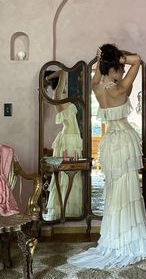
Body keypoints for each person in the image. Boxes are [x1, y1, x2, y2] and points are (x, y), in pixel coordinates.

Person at [67, 44, 146, 269]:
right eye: (120, 68)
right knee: (128, 188)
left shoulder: (97, 86)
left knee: (115, 189)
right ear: (115, 66)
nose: (123, 72)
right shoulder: (121, 88)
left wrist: (105, 59)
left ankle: (115, 236)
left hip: (110, 143)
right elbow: (138, 60)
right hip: (124, 139)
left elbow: (99, 73)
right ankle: (127, 236)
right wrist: (119, 57)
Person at [43, 70, 83, 221]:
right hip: (68, 139)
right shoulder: (57, 96)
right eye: (62, 83)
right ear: (58, 84)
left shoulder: (60, 97)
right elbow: (63, 72)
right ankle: (65, 211)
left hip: (72, 138)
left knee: (74, 173)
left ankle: (71, 211)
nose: (64, 84)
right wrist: (49, 77)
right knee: (67, 174)